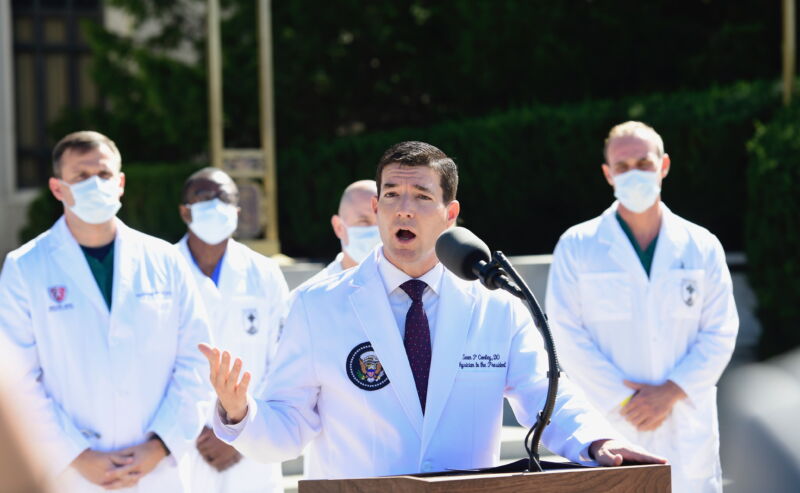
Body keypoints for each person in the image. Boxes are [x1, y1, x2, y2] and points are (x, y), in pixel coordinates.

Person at [200, 140, 665, 479]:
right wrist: (241, 413)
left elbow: (548, 397)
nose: (404, 209)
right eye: (391, 196)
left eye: (421, 197)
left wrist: (598, 441)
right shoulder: (318, 307)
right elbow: (287, 430)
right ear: (378, 208)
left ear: (450, 213)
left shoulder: (496, 305)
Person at [0, 131, 211, 492]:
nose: (95, 185)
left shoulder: (165, 261)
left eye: (104, 175)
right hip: (70, 473)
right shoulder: (25, 267)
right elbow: (17, 380)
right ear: (57, 189)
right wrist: (77, 455)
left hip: (157, 471)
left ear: (121, 182)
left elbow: (197, 360)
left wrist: (159, 445)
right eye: (81, 177)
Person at [545, 121, 739, 493]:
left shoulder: (701, 244)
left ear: (663, 165)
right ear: (608, 174)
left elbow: (721, 330)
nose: (634, 174)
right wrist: (626, 398)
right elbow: (566, 336)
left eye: (644, 163)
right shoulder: (577, 245)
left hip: (686, 422)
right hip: (611, 423)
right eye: (623, 166)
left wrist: (671, 391)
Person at [176, 167, 290, 493]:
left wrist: (237, 431)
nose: (216, 205)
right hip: (185, 441)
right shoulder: (162, 269)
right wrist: (197, 427)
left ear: (237, 211)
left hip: (252, 441)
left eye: (224, 197)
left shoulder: (265, 273)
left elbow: (281, 361)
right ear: (185, 211)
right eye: (205, 197)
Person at [301, 179, 379, 286]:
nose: (377, 229)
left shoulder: (407, 288)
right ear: (339, 227)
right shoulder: (310, 297)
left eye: (381, 221)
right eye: (364, 221)